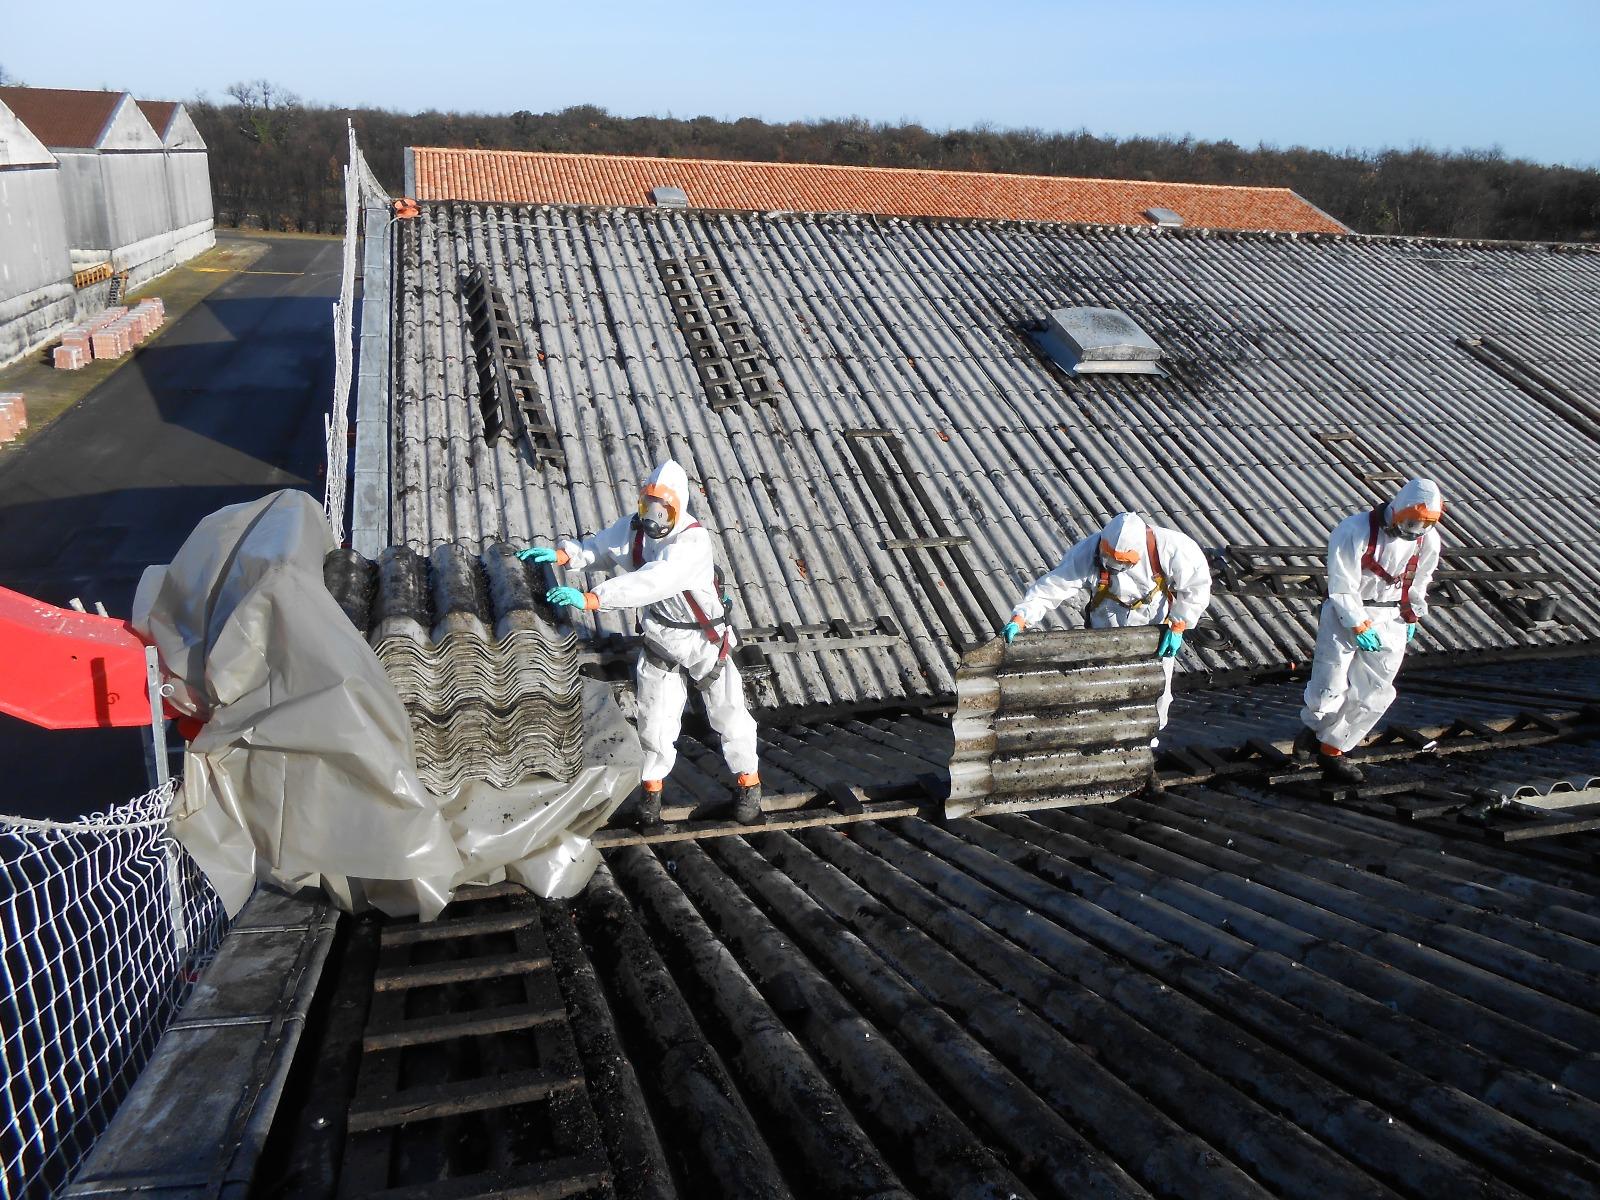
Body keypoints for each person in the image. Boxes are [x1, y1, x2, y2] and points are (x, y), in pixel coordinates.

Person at [519, 460, 761, 825]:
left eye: (662, 511)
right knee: (654, 721)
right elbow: (600, 548)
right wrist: (565, 555)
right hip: (661, 637)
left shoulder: (691, 542)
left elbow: (654, 580)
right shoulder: (636, 531)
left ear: (678, 509)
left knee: (729, 714)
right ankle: (651, 793)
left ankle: (748, 783)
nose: (653, 518)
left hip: (704, 640)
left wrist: (594, 599)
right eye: (647, 507)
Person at [1003, 511, 1213, 739]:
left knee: (1154, 696)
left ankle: (1146, 746)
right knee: (1101, 695)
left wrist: (1179, 623)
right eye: (1109, 558)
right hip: (1104, 637)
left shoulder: (1173, 548)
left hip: (1155, 636)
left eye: (1122, 563)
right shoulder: (1088, 551)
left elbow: (1197, 587)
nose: (1113, 566)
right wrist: (1021, 617)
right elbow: (1053, 586)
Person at [1294, 478, 1444, 784]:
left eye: (1424, 524)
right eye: (1412, 522)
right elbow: (1341, 583)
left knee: (1375, 692)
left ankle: (1333, 749)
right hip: (1346, 613)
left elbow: (1420, 579)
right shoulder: (1354, 530)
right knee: (1329, 686)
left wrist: (1413, 614)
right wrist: (1358, 623)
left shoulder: (1428, 540)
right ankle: (1313, 729)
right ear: (1397, 510)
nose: (1416, 529)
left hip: (1392, 616)